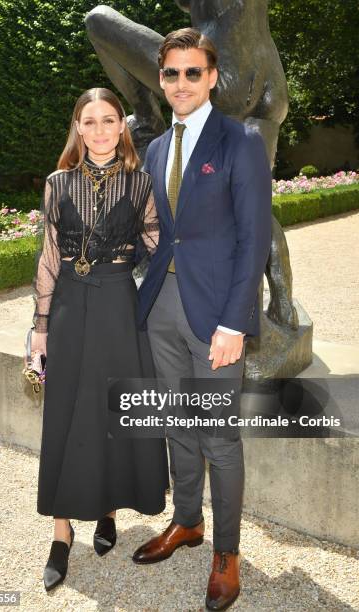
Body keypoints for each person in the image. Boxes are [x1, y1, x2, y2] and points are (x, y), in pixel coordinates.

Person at [133, 29, 272, 611]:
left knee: (219, 436)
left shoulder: (240, 141)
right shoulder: (158, 147)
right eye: (171, 74)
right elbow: (164, 232)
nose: (182, 83)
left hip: (216, 317)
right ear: (161, 80)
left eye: (193, 72)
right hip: (162, 308)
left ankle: (227, 552)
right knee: (177, 425)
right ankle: (187, 521)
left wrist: (235, 323)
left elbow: (254, 238)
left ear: (212, 78)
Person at [30, 87, 169, 592]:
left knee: (113, 410)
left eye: (108, 120)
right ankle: (62, 531)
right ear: (78, 128)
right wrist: (40, 329)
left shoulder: (141, 184)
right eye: (89, 122)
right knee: (65, 412)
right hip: (67, 304)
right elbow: (48, 256)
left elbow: (159, 247)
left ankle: (107, 510)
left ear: (121, 127)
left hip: (116, 304)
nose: (99, 130)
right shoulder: (57, 182)